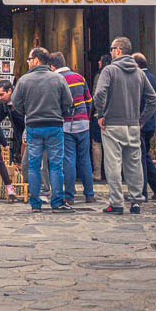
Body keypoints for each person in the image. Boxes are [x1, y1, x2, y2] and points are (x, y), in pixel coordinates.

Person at [93, 37, 156, 215]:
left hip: (112, 124)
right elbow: (153, 99)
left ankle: (116, 203)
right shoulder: (139, 73)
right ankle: (136, 201)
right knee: (134, 164)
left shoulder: (109, 70)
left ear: (118, 50)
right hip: (133, 125)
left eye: (112, 49)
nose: (111, 52)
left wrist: (101, 114)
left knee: (113, 164)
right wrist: (141, 120)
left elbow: (99, 93)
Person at [11, 47, 74, 214]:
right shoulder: (58, 79)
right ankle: (57, 201)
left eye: (29, 59)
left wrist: (27, 111)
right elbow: (68, 102)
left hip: (34, 126)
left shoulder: (24, 80)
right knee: (55, 165)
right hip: (54, 125)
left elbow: (15, 103)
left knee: (34, 165)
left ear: (36, 60)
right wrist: (58, 111)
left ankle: (35, 203)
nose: (28, 62)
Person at [49, 52, 95, 205]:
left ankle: (69, 196)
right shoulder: (79, 78)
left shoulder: (55, 80)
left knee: (68, 160)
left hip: (66, 124)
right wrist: (86, 117)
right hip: (83, 123)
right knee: (85, 159)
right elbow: (89, 100)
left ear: (52, 66)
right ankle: (89, 194)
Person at [132, 52, 156, 201]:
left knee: (140, 158)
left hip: (140, 123)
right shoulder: (154, 79)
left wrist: (140, 119)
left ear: (136, 65)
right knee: (145, 156)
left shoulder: (139, 78)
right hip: (149, 123)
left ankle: (142, 191)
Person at [91, 53, 111, 182]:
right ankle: (112, 173)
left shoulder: (100, 76)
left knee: (97, 144)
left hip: (100, 115)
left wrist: (98, 111)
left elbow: (96, 95)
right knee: (111, 145)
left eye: (100, 60)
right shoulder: (116, 74)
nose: (98, 62)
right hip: (113, 114)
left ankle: (97, 172)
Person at [0, 79, 24, 163]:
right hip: (18, 136)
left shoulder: (21, 99)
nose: (0, 98)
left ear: (10, 91)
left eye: (1, 95)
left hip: (29, 134)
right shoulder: (3, 103)